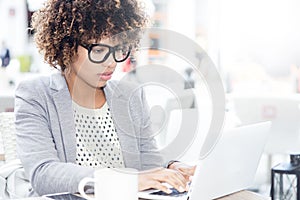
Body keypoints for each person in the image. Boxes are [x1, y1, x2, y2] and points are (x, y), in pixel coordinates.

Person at [14, 0, 195, 197]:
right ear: (67, 45)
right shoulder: (35, 95)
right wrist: (126, 181)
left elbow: (148, 163)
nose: (111, 63)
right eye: (98, 51)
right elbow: (44, 174)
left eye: (118, 49)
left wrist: (171, 168)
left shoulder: (130, 96)